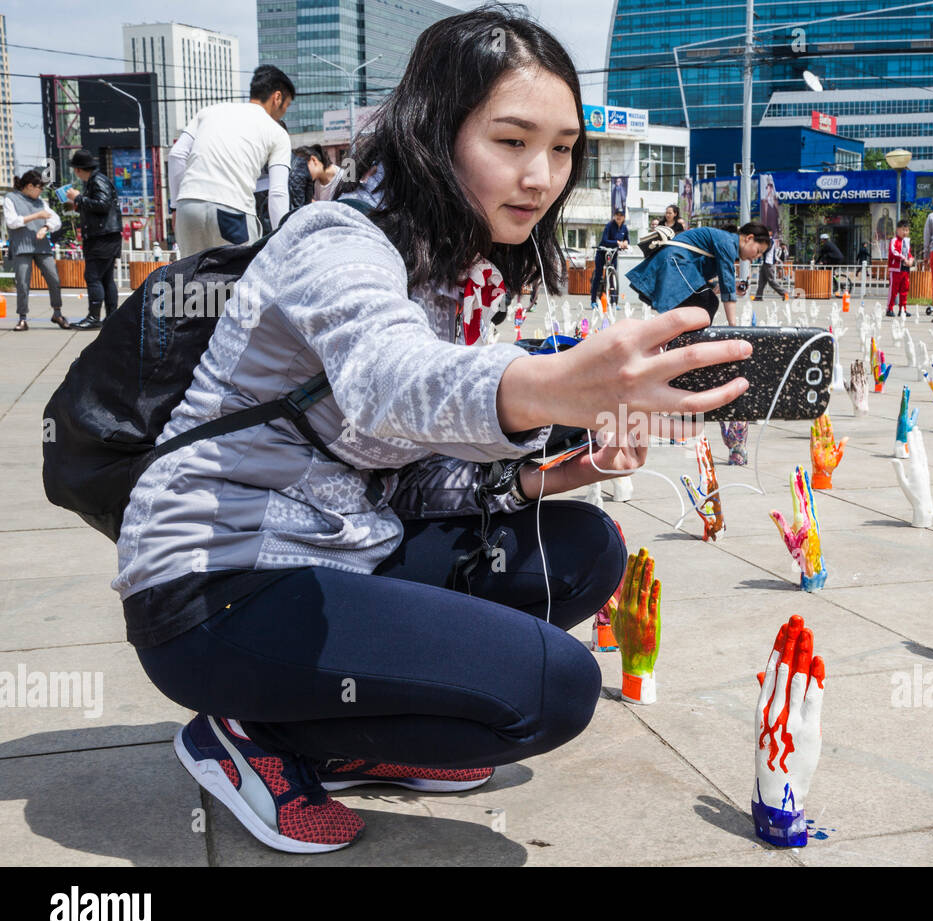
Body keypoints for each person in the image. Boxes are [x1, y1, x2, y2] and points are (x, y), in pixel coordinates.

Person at [113, 7, 752, 854]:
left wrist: (554, 473)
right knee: (551, 689)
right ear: (434, 134)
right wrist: (553, 382)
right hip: (218, 582)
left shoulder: (450, 271)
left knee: (586, 549)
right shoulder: (337, 241)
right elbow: (389, 384)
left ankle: (344, 726)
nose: (541, 175)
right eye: (512, 140)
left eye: (562, 148)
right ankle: (254, 732)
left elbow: (405, 473)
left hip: (344, 545)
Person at [168, 65, 295, 258]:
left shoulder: (210, 111)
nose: (285, 111)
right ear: (277, 97)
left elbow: (176, 155)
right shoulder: (277, 132)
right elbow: (277, 192)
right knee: (237, 282)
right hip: (232, 211)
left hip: (188, 206)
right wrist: (281, 239)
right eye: (287, 105)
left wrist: (176, 208)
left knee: (191, 281)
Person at [627, 222, 769, 325]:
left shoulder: (726, 242)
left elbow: (709, 278)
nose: (757, 257)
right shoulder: (728, 243)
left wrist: (716, 286)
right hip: (674, 265)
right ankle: (687, 344)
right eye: (758, 251)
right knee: (707, 302)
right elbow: (727, 284)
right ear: (749, 238)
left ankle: (681, 342)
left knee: (705, 301)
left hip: (675, 266)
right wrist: (734, 327)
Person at [64, 148, 123, 330]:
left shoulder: (97, 181)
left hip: (102, 238)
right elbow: (100, 207)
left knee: (93, 276)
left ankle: (94, 317)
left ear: (79, 169)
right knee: (106, 279)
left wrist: (79, 198)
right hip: (105, 236)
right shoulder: (96, 181)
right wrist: (79, 205)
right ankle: (112, 317)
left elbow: (103, 205)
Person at [3, 169, 69, 330]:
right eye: (39, 188)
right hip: (21, 248)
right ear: (30, 186)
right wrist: (36, 217)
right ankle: (22, 318)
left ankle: (57, 313)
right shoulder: (11, 199)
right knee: (23, 283)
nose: (41, 191)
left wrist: (46, 227)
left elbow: (56, 220)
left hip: (42, 247)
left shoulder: (41, 202)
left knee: (54, 278)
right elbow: (11, 222)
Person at [590, 208, 628, 307]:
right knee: (598, 275)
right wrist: (617, 242)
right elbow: (605, 240)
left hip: (613, 254)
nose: (619, 217)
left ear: (624, 217)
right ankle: (593, 301)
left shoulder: (624, 228)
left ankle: (614, 302)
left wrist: (626, 242)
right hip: (602, 252)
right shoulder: (609, 226)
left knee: (612, 278)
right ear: (614, 216)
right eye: (617, 215)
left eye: (621, 215)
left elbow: (626, 239)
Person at [885, 221, 913, 317]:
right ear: (897, 230)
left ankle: (903, 309)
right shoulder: (894, 240)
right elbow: (893, 252)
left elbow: (908, 253)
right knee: (893, 290)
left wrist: (911, 259)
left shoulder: (907, 242)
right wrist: (904, 258)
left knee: (904, 290)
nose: (905, 232)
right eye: (903, 230)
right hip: (896, 269)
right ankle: (889, 308)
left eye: (906, 230)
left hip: (905, 269)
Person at [753, 226, 788, 300]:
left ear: (770, 233)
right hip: (765, 262)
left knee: (771, 281)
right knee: (761, 281)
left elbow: (766, 249)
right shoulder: (768, 240)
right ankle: (758, 297)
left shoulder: (770, 241)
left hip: (768, 263)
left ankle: (784, 293)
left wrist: (760, 251)